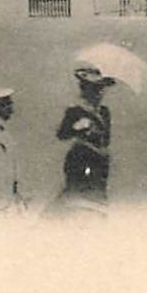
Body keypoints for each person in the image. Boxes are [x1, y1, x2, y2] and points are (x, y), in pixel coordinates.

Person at [54, 66, 114, 211]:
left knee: (97, 200)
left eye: (101, 89)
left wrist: (95, 133)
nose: (99, 93)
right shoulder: (75, 110)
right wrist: (77, 128)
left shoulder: (104, 112)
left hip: (99, 161)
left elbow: (106, 140)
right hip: (81, 158)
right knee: (77, 200)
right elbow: (62, 134)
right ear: (85, 90)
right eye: (95, 89)